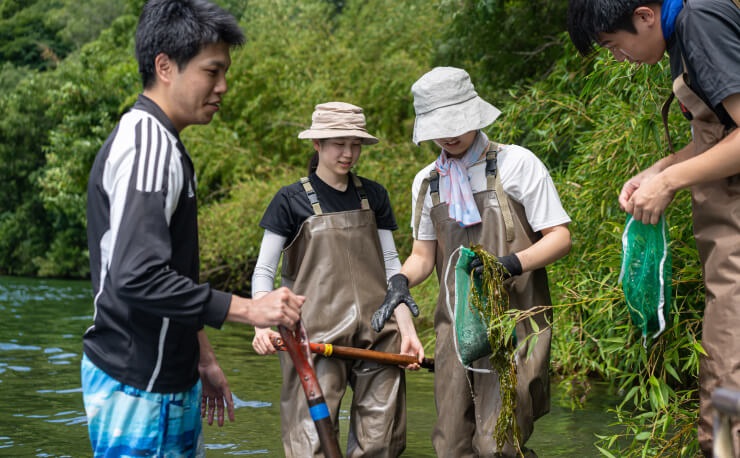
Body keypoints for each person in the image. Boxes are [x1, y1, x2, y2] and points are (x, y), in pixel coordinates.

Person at [82, 1, 305, 456]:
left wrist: (203, 356)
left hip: (169, 377)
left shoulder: (168, 145)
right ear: (165, 66)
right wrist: (250, 309)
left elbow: (173, 274)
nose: (223, 86)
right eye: (212, 71)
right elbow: (136, 276)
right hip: (137, 382)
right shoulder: (147, 145)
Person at [566, 0, 740, 454]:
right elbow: (723, 134)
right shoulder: (684, 32)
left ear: (644, 16)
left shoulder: (698, 20)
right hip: (726, 243)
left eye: (612, 45)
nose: (616, 58)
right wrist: (660, 168)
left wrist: (669, 181)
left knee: (728, 384)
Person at [372, 66, 572, 457]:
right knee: (451, 444)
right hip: (454, 331)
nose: (449, 134)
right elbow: (421, 257)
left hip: (516, 325)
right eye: (439, 125)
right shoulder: (427, 181)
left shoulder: (517, 163)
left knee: (497, 444)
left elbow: (561, 238)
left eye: (457, 121)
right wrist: (399, 282)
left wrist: (509, 264)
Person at [250, 101, 424, 457]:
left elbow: (392, 266)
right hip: (312, 339)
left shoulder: (374, 195)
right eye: (338, 143)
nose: (348, 153)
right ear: (317, 144)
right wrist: (260, 324)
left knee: (381, 442)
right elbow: (264, 272)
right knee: (312, 442)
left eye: (355, 144)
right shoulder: (290, 200)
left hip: (380, 335)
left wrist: (406, 329)